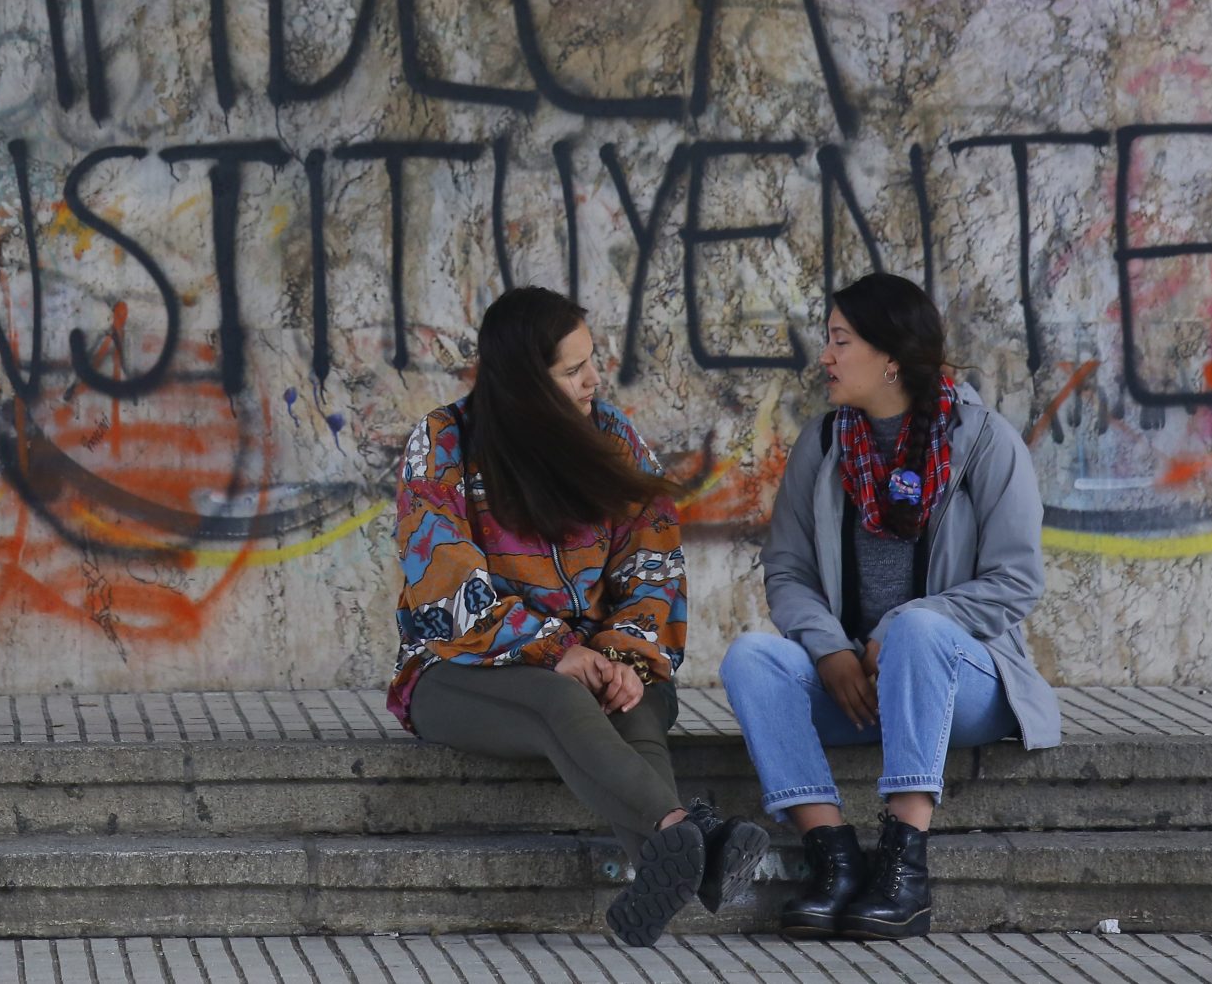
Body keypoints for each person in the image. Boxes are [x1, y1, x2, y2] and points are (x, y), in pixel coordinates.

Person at [389, 285, 769, 946]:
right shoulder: (444, 441)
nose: (595, 379)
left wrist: (621, 657)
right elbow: (442, 576)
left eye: (592, 361)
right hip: (457, 670)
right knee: (561, 701)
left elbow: (654, 564)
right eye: (573, 371)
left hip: (595, 659)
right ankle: (694, 835)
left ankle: (674, 854)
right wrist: (553, 649)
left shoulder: (614, 437)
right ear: (525, 382)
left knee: (637, 704)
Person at [717, 272, 1059, 941]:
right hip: (857, 688)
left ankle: (904, 864)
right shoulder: (823, 445)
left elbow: (1017, 580)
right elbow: (786, 571)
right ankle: (834, 860)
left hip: (964, 683)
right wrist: (830, 650)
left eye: (842, 342)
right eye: (829, 341)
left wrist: (900, 627)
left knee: (921, 630)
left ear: (892, 357)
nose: (827, 357)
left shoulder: (987, 444)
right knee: (750, 657)